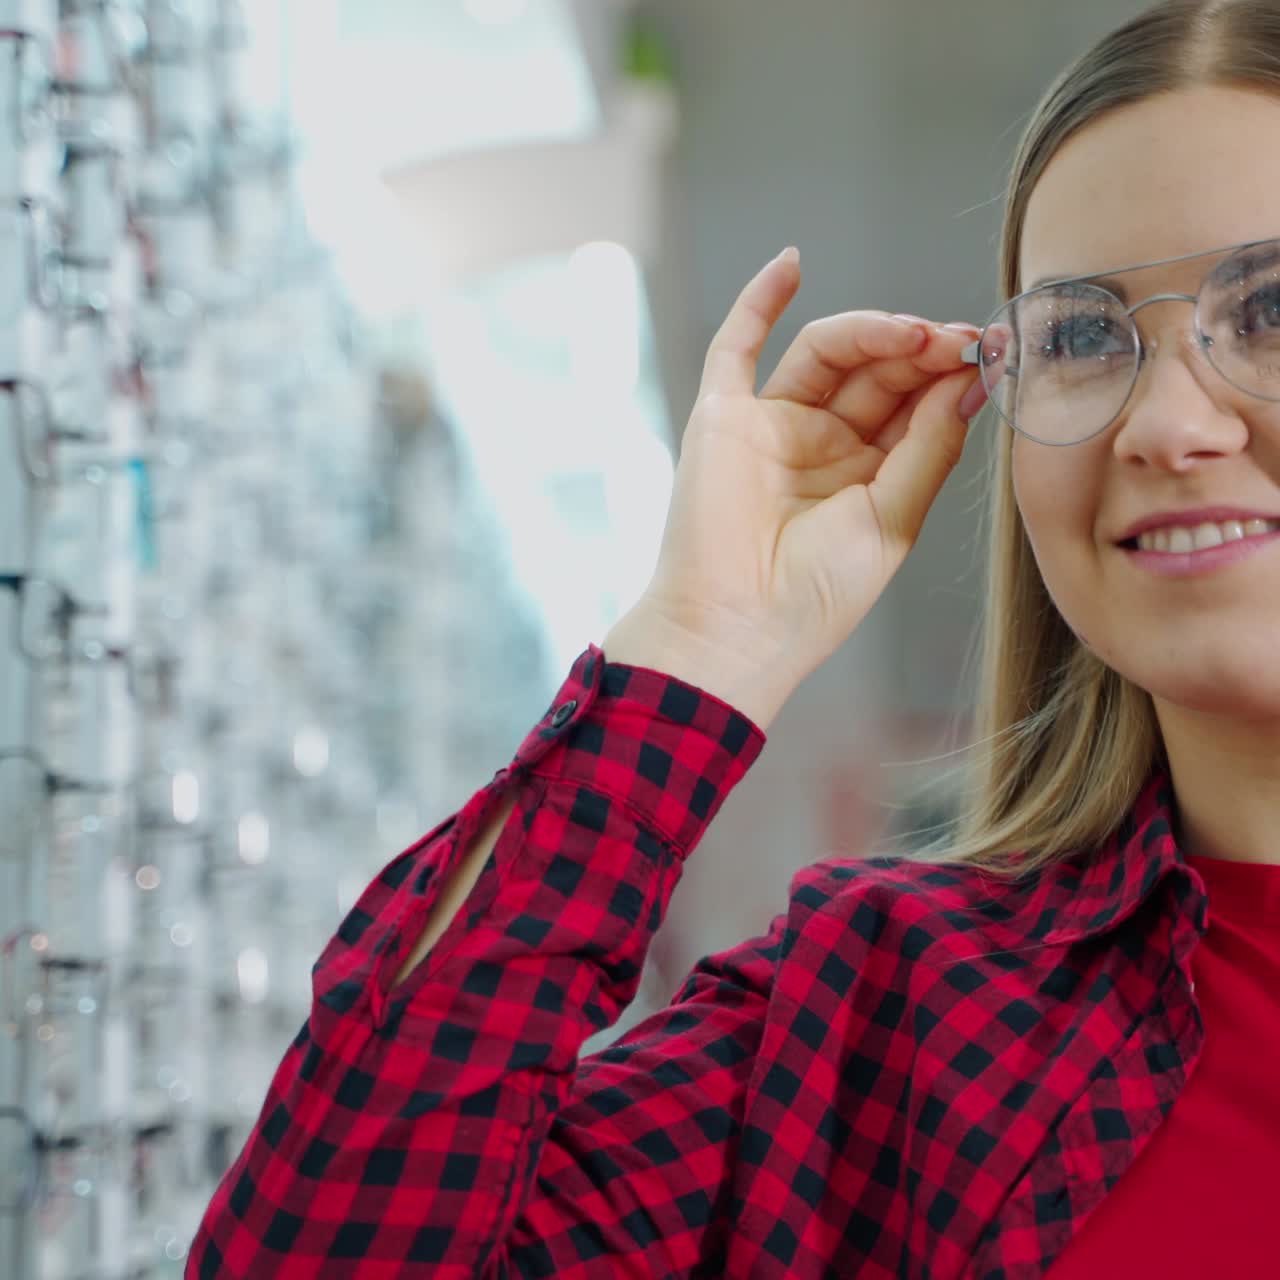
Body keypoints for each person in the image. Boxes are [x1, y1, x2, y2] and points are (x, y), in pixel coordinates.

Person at [186, 2, 1280, 1275]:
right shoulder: (883, 1020)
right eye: (1085, 337)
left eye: (1267, 311)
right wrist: (696, 642)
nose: (1165, 425)